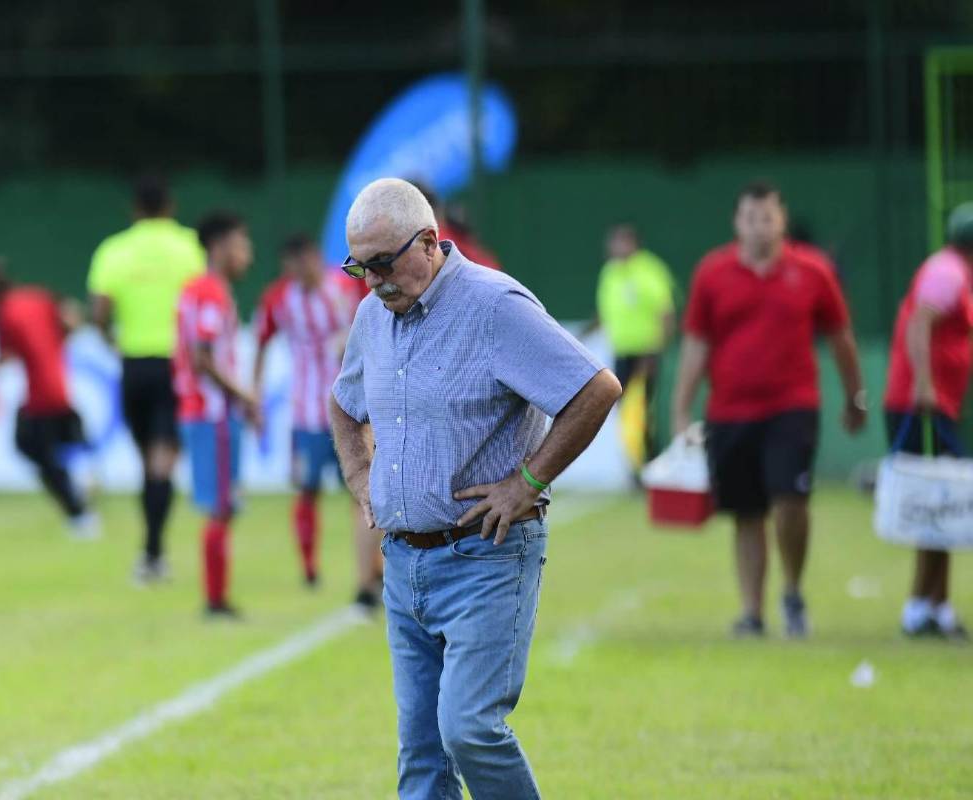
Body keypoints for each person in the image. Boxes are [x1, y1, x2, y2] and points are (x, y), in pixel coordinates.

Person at [330, 178, 620, 799]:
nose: (374, 280)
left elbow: (595, 389)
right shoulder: (371, 317)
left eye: (384, 263)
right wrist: (361, 477)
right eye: (360, 266)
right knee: (421, 757)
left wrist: (528, 481)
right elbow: (343, 405)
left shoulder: (496, 307)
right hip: (404, 562)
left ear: (430, 242)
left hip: (487, 555)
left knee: (468, 730)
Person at [671, 181, 866, 639]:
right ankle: (752, 611)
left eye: (768, 217)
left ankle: (793, 591)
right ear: (737, 222)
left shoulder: (813, 271)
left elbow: (841, 338)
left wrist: (856, 396)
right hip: (730, 411)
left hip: (792, 407)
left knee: (790, 503)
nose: (760, 227)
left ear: (782, 220)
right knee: (746, 511)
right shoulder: (712, 273)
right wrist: (681, 409)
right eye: (751, 218)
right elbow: (696, 344)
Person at [253, 234, 383, 607]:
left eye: (301, 263)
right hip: (305, 413)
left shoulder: (344, 287)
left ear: (313, 258)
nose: (297, 272)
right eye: (290, 267)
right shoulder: (279, 298)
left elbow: (375, 324)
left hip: (353, 410)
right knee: (306, 490)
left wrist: (352, 343)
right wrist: (256, 395)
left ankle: (368, 575)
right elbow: (261, 341)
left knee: (362, 492)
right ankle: (310, 567)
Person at [87, 174, 205, 583]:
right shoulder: (191, 247)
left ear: (134, 209)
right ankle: (153, 554)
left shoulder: (114, 250)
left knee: (148, 463)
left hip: (135, 365)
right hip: (176, 363)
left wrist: (114, 343)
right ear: (170, 206)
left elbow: (98, 313)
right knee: (162, 464)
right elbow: (207, 298)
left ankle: (151, 552)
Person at [883, 202, 973, 639]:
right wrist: (923, 383)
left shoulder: (958, 271)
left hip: (938, 403)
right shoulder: (949, 272)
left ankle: (937, 607)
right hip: (921, 404)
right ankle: (918, 608)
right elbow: (919, 324)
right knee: (933, 507)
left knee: (946, 507)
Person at [0, 261, 99, 538]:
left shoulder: (4, 314)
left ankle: (79, 509)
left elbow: (5, 356)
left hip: (41, 395)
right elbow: (73, 315)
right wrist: (58, 341)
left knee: (29, 446)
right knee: (48, 445)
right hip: (59, 388)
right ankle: (81, 478)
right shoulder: (36, 297)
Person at [175, 212, 258, 618]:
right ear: (220, 246)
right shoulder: (210, 291)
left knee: (221, 506)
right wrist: (245, 396)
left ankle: (217, 597)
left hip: (204, 413)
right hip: (214, 414)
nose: (247, 254)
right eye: (242, 244)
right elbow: (202, 358)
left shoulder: (196, 288)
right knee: (221, 507)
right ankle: (215, 600)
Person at [591, 223, 676, 462]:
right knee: (621, 410)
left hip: (646, 353)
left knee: (644, 412)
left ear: (633, 243)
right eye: (613, 241)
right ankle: (634, 465)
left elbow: (666, 314)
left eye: (621, 241)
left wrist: (656, 351)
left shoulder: (649, 270)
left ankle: (651, 462)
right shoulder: (610, 272)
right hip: (621, 352)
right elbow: (605, 311)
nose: (615, 247)